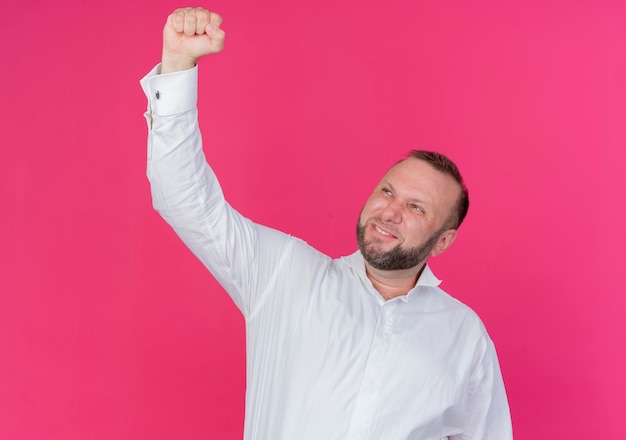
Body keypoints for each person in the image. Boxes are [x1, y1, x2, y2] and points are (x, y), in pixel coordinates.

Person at [140, 7, 513, 440]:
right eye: (388, 192)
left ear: (444, 239)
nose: (389, 212)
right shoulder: (284, 274)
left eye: (416, 208)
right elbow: (184, 200)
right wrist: (178, 66)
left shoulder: (465, 337)